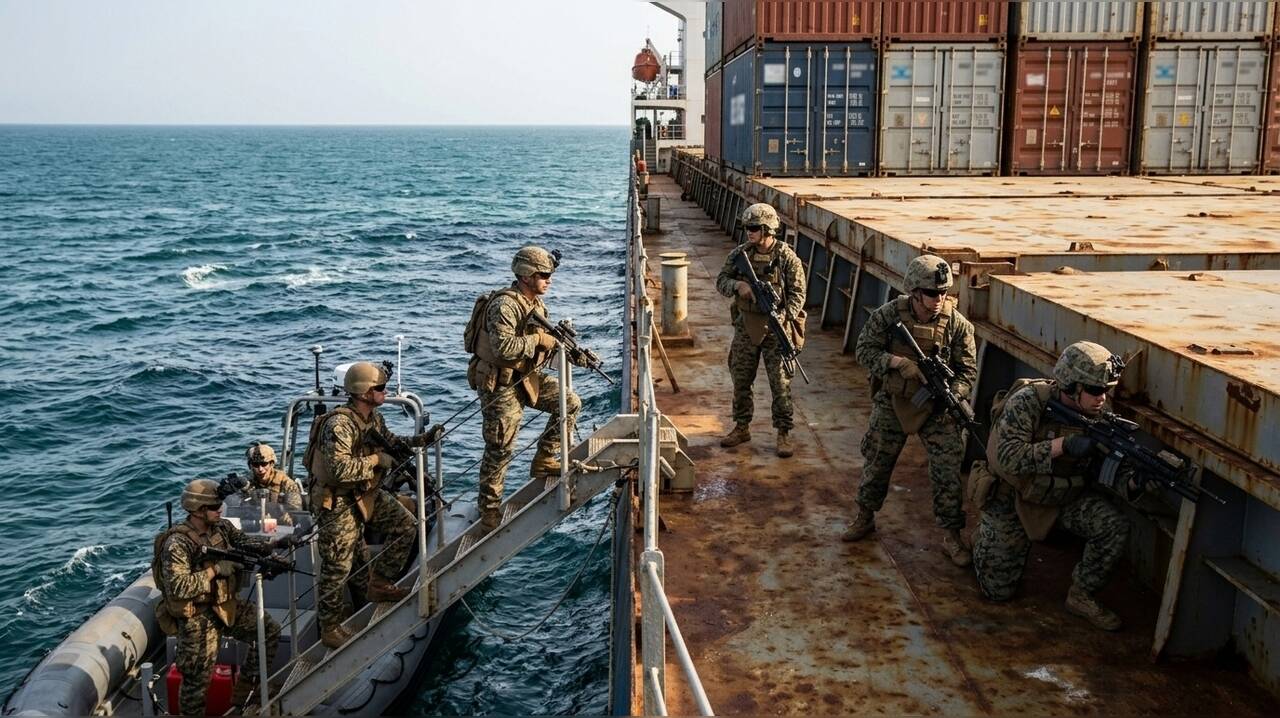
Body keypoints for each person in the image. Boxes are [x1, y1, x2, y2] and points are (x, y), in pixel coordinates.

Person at [971, 341, 1131, 631]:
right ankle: (985, 535)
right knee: (997, 591)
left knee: (1113, 525)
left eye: (1106, 390)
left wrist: (1131, 482)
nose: (1102, 398)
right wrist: (1063, 445)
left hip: (1061, 497)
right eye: (1094, 390)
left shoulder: (1099, 414)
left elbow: (1106, 468)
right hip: (1014, 496)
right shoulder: (1028, 402)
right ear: (1070, 386)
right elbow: (1007, 458)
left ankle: (1081, 595)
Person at [844, 254, 977, 567]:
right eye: (931, 293)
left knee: (947, 470)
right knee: (877, 459)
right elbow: (864, 350)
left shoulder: (957, 325)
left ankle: (951, 535)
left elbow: (968, 371)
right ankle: (865, 515)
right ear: (914, 292)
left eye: (943, 293)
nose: (938, 299)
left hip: (936, 407)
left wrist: (953, 394)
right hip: (894, 399)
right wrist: (896, 363)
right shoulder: (890, 315)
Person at [309, 361, 442, 649]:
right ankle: (329, 627)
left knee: (406, 526)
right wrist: (376, 461)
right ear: (363, 393)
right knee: (338, 566)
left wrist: (423, 440)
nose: (385, 391)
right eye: (380, 387)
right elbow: (338, 470)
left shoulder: (373, 419)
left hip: (363, 493)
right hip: (338, 501)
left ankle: (379, 584)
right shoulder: (339, 425)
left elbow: (392, 442)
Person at [467, 246, 584, 532]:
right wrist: (539, 341)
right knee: (501, 447)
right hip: (500, 384)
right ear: (526, 275)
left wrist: (570, 353)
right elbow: (504, 348)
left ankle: (545, 457)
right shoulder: (504, 306)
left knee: (569, 402)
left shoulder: (535, 305)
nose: (548, 280)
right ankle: (489, 510)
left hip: (525, 377)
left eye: (549, 275)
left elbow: (541, 345)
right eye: (543, 275)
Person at [154, 478, 290, 713]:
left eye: (220, 505)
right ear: (198, 510)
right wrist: (215, 570)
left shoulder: (222, 527)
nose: (220, 510)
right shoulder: (177, 544)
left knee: (268, 631)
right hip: (197, 616)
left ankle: (246, 689)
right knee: (197, 684)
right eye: (215, 507)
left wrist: (275, 546)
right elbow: (178, 587)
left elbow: (246, 543)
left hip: (225, 605)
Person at [715, 203, 806, 458]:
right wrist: (739, 286)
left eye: (754, 228)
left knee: (780, 384)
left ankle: (783, 432)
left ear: (767, 229)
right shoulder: (740, 255)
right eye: (747, 227)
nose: (749, 232)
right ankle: (741, 426)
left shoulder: (786, 258)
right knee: (741, 378)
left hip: (776, 328)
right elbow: (721, 281)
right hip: (747, 325)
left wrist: (784, 315)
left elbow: (798, 294)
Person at [242, 442, 302, 525]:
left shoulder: (286, 483)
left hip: (281, 526)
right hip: (253, 524)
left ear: (271, 464)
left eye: (264, 464)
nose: (260, 469)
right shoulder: (247, 482)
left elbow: (295, 512)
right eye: (255, 465)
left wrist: (276, 514)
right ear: (250, 466)